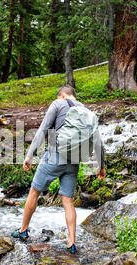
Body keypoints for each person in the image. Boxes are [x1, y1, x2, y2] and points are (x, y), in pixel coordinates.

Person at [11, 84, 106, 254]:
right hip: (74, 160)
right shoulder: (87, 112)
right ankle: (71, 242)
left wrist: (29, 154)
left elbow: (43, 129)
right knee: (67, 200)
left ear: (61, 95)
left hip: (54, 156)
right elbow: (98, 140)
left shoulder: (58, 104)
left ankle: (23, 230)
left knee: (34, 191)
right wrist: (101, 166)